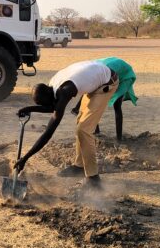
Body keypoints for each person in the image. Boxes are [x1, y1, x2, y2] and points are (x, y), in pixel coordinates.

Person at [15, 59, 119, 188]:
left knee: (84, 129)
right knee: (80, 124)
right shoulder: (52, 85)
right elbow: (54, 106)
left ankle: (93, 178)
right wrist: (29, 109)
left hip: (107, 84)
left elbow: (49, 131)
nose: (46, 106)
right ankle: (79, 166)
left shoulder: (65, 90)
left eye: (44, 104)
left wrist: (25, 158)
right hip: (95, 80)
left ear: (48, 96)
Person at [67, 56, 138, 164]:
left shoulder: (99, 74)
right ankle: (96, 130)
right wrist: (77, 108)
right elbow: (89, 93)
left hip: (123, 73)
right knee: (94, 100)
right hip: (108, 69)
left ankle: (119, 138)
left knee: (117, 106)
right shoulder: (89, 72)